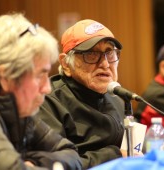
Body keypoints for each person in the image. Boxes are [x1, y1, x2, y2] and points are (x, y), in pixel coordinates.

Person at [0, 13, 82, 170]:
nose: (47, 88)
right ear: (6, 76)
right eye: (40, 75)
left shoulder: (14, 100)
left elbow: (71, 154)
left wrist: (33, 163)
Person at [38, 19, 125, 169]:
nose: (105, 64)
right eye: (91, 54)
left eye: (109, 53)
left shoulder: (117, 96)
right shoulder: (48, 101)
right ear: (66, 64)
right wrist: (114, 155)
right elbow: (56, 165)